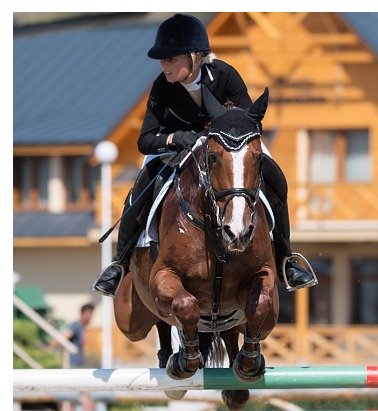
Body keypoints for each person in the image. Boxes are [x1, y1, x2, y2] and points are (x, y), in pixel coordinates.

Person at [92, 13, 317, 297]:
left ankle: (286, 259)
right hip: (175, 150)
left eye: (171, 59)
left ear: (195, 57)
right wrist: (175, 137)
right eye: (162, 60)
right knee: (141, 185)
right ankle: (119, 264)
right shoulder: (162, 86)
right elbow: (145, 140)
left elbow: (248, 122)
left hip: (227, 146)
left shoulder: (224, 74)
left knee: (273, 176)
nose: (164, 65)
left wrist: (218, 136)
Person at [49, 303, 95, 367]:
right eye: (89, 314)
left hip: (78, 364)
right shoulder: (76, 326)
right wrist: (51, 348)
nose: (90, 317)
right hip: (72, 364)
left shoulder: (82, 327)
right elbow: (63, 336)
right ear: (83, 313)